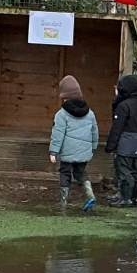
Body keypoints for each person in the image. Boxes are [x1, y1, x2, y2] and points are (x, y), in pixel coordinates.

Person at [48, 75, 98, 211]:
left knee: (65, 173)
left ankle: (63, 202)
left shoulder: (61, 115)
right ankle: (90, 195)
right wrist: (93, 147)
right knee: (81, 173)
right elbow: (95, 132)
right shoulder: (90, 113)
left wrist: (53, 151)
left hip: (67, 153)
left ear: (64, 97)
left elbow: (57, 135)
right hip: (84, 152)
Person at [106, 73, 137, 207]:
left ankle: (125, 198)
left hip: (126, 142)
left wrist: (110, 145)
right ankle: (135, 197)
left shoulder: (123, 106)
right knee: (135, 169)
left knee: (123, 170)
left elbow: (117, 128)